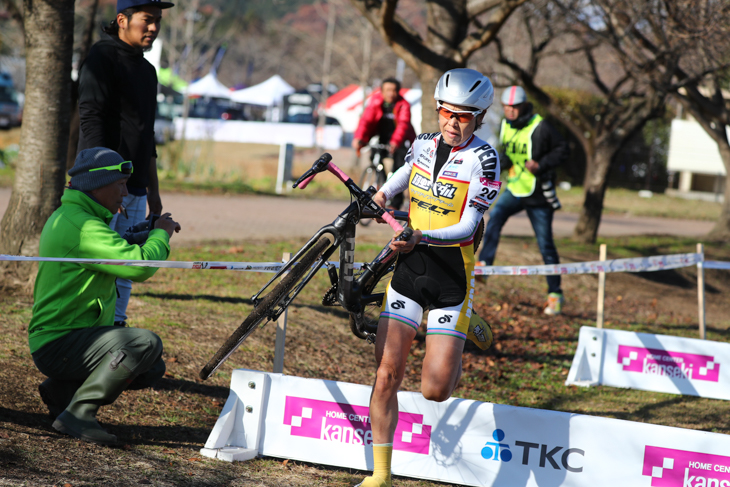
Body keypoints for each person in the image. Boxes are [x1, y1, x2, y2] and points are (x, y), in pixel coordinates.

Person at [355, 69, 500, 487]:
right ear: (438, 109)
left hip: (453, 276)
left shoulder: (484, 159)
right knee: (386, 374)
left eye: (465, 117)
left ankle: (462, 327)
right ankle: (380, 475)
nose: (454, 123)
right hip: (410, 272)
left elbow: (468, 227)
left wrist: (419, 235)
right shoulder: (420, 144)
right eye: (447, 114)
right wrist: (378, 198)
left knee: (435, 389)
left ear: (481, 117)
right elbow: (401, 181)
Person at [29, 147, 181, 446]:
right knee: (143, 343)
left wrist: (144, 232)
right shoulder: (83, 225)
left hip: (72, 336)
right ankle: (79, 414)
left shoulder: (79, 217)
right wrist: (161, 233)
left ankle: (61, 391)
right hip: (59, 340)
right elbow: (137, 267)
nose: (125, 193)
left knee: (151, 366)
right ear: (96, 185)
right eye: (120, 184)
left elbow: (115, 247)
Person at [77, 0, 175, 327]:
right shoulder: (102, 57)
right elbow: (91, 122)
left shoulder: (148, 71)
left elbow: (147, 139)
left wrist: (153, 193)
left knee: (125, 271)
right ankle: (89, 334)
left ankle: (116, 328)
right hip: (104, 188)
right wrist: (104, 185)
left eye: (158, 21)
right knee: (101, 265)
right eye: (147, 20)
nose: (154, 28)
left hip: (134, 189)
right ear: (122, 19)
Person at [477, 85, 568, 315]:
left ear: (524, 105)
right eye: (507, 107)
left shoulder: (541, 126)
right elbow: (507, 152)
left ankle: (555, 294)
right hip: (516, 188)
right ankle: (484, 266)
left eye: (514, 107)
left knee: (545, 243)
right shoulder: (506, 124)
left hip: (538, 194)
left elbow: (563, 149)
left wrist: (541, 164)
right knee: (495, 217)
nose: (510, 112)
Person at [352, 77, 417, 209]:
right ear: (381, 91)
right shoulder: (375, 102)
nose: (390, 93)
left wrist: (395, 142)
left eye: (394, 90)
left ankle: (396, 203)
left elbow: (403, 126)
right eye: (387, 90)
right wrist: (359, 138)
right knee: (375, 158)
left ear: (398, 92)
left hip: (400, 140)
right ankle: (379, 182)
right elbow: (366, 121)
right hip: (382, 138)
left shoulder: (403, 105)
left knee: (399, 166)